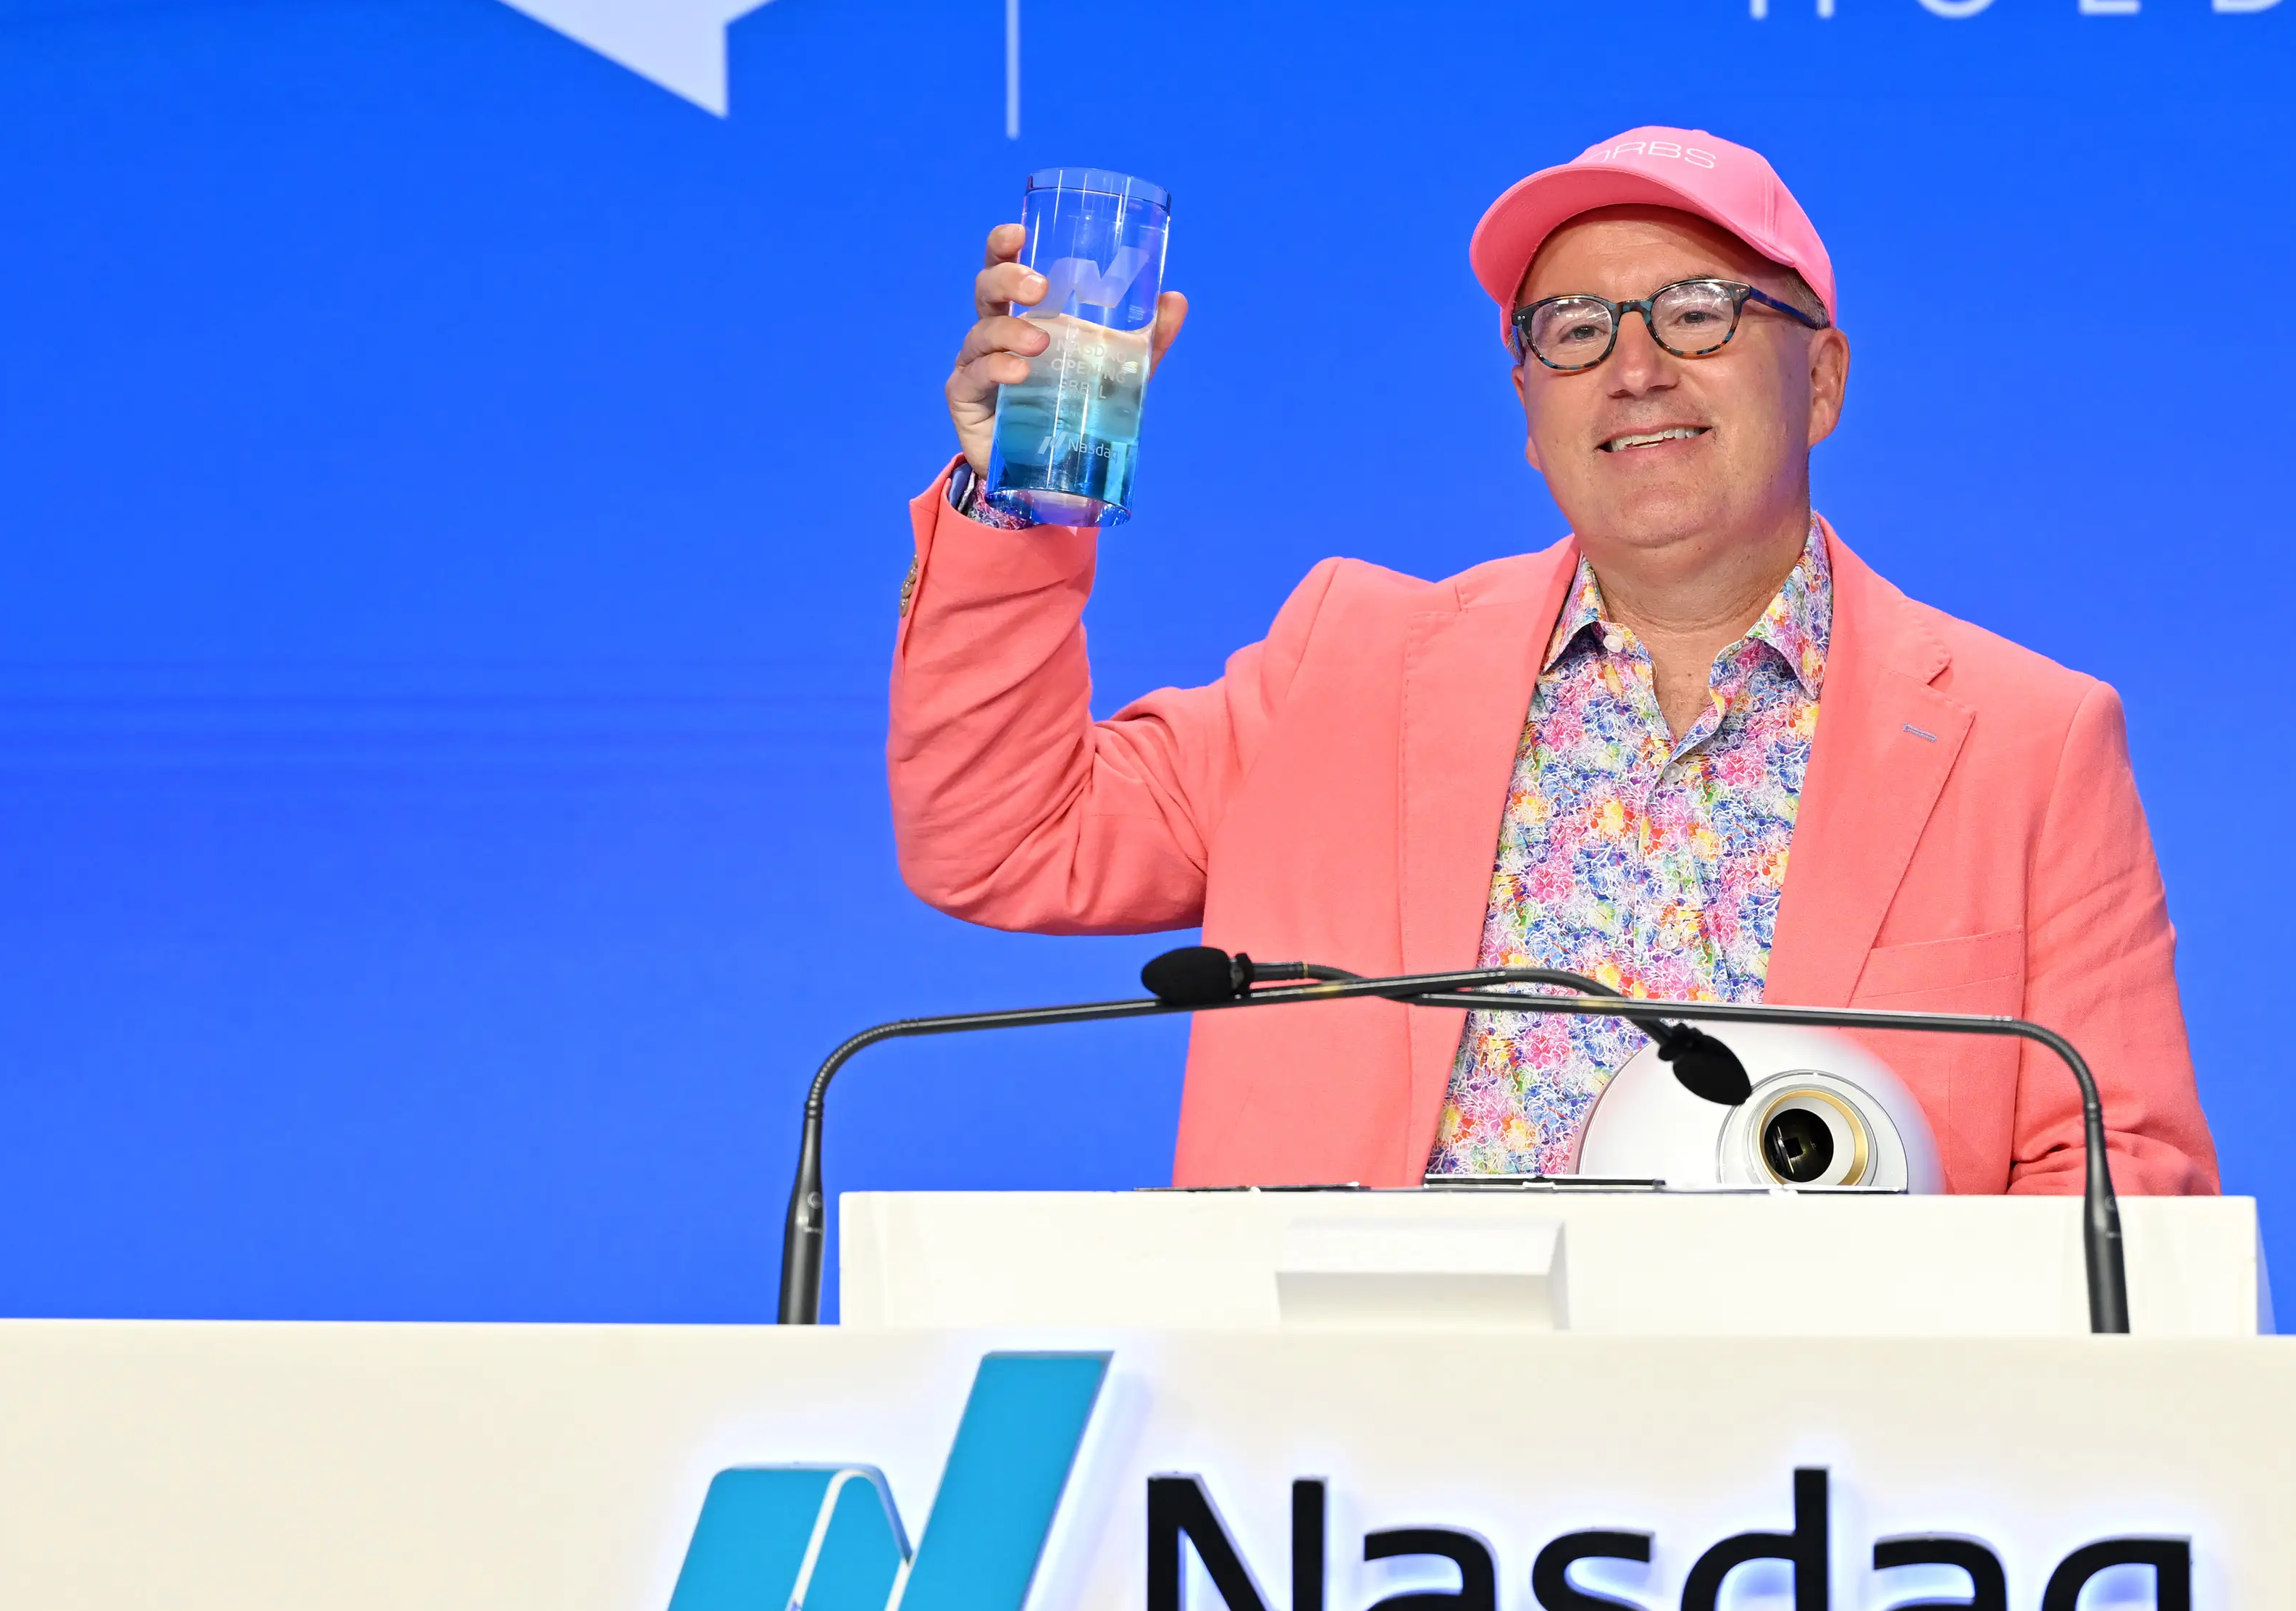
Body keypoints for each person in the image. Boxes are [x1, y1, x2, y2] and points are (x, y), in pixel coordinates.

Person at [889, 125, 2217, 1197]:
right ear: (1531, 414)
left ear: (1821, 382)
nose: (1633, 369)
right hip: (1350, 1458)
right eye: (1574, 330)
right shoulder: (1345, 665)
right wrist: (1025, 498)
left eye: (1696, 314)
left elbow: (2118, 1177)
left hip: (1807, 1478)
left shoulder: (2025, 740)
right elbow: (1002, 840)